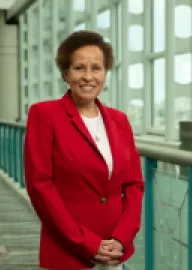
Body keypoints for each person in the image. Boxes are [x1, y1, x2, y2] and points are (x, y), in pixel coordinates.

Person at [24, 31, 144, 270]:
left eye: (96, 68)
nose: (88, 77)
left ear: (105, 74)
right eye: (79, 68)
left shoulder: (120, 121)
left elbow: (134, 185)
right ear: (66, 74)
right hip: (69, 252)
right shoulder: (44, 115)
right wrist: (86, 243)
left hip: (113, 252)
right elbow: (40, 186)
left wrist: (122, 238)